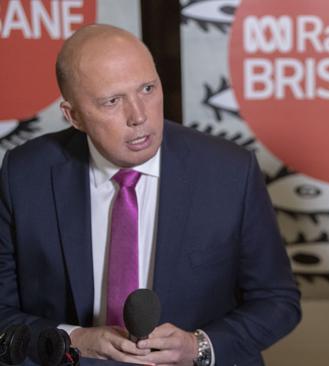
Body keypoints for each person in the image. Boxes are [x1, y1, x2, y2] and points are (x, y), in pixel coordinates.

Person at [0, 24, 301, 366]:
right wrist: (73, 339)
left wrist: (198, 346)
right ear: (74, 116)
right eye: (112, 101)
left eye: (147, 88)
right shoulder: (24, 174)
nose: (139, 116)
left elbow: (278, 301)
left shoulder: (230, 171)